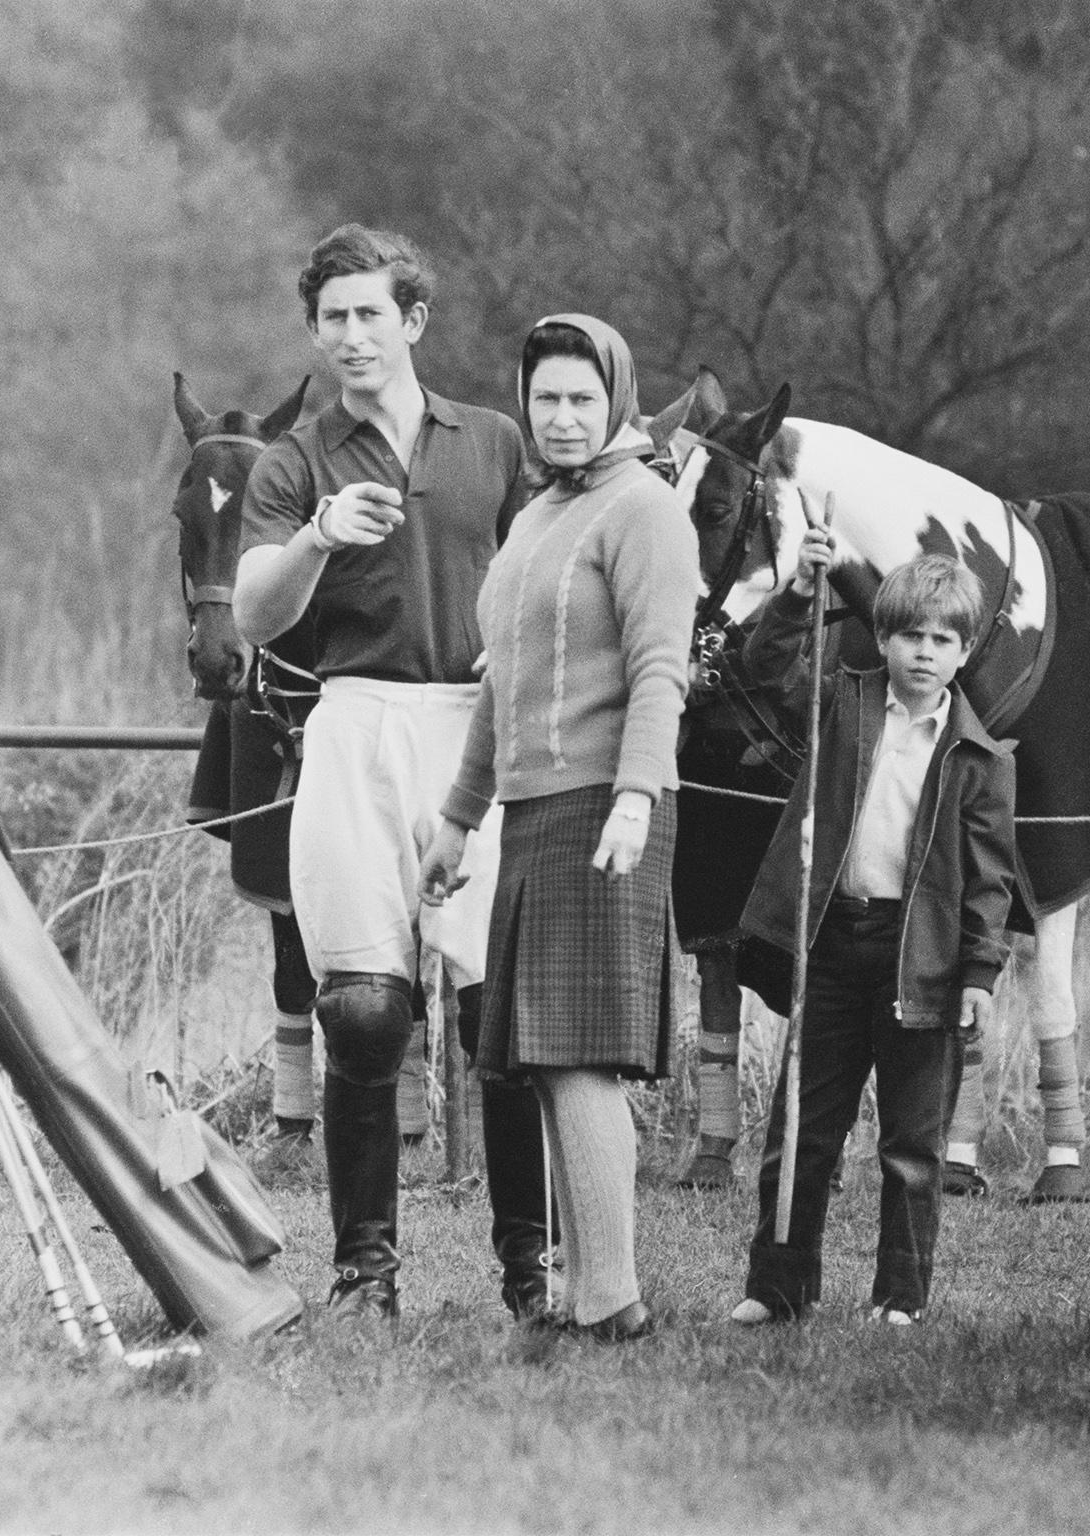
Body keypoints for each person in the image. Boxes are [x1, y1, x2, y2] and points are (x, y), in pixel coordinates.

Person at [232, 225, 539, 1321]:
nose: (351, 336)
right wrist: (314, 538)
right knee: (362, 1010)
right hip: (352, 721)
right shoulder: (294, 462)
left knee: (499, 1021)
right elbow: (253, 618)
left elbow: (548, 569)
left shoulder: (496, 442)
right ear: (312, 334)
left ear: (410, 320)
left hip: (476, 722)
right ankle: (366, 1273)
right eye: (331, 319)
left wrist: (524, 643)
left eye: (370, 314)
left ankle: (527, 1271)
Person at [419, 314, 699, 1340]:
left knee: (580, 1053)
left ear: (617, 399)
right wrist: (456, 819)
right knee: (538, 1054)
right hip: (532, 814)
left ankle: (612, 1297)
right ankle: (583, 1291)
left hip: (605, 807)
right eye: (547, 398)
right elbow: (502, 685)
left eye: (584, 397)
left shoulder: (645, 511)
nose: (564, 415)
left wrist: (634, 796)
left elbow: (659, 669)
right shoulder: (537, 513)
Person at [728, 543, 1016, 1327]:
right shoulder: (841, 704)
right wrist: (795, 591)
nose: (924, 652)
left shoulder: (981, 758)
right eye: (910, 635)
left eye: (942, 640)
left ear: (963, 653)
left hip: (921, 962)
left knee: (913, 1149)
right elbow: (766, 666)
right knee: (801, 1132)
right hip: (828, 945)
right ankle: (777, 1287)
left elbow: (991, 882)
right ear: (883, 638)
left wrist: (981, 976)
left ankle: (899, 1299)